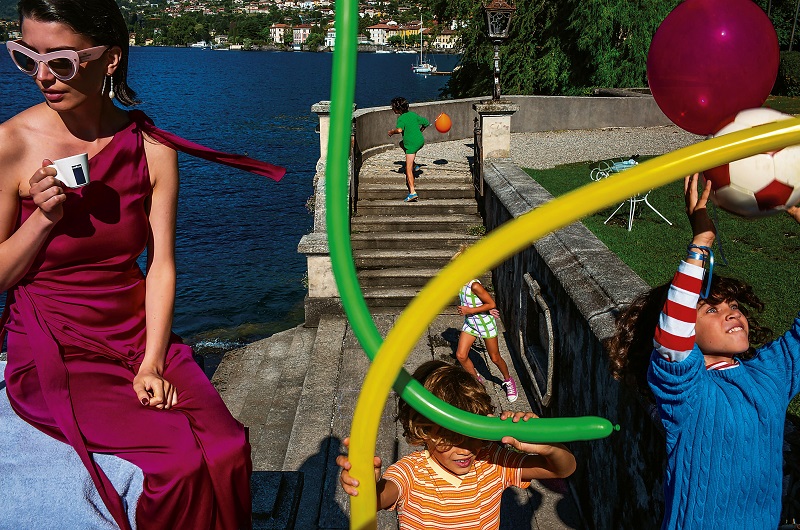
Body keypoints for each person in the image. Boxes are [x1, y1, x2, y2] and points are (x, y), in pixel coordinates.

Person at [0, 0, 284, 528]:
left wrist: (152, 362)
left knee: (226, 447)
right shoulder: (11, 143)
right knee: (177, 463)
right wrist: (42, 219)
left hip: (136, 335)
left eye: (59, 61)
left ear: (109, 59)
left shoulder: (153, 149)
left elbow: (161, 266)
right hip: (54, 345)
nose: (42, 76)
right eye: (26, 58)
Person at [608, 173, 800, 529]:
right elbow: (673, 338)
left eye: (733, 305)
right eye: (711, 309)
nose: (732, 312)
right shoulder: (684, 390)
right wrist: (701, 243)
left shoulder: (770, 375)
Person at [337, 360, 576, 530]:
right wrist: (365, 483)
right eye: (450, 436)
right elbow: (377, 499)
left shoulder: (493, 461)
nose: (465, 448)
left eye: (472, 433)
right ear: (423, 431)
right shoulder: (410, 473)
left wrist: (543, 444)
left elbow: (562, 469)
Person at [452, 245, 518, 402]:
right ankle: (476, 381)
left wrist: (470, 310)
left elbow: (491, 303)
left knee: (495, 358)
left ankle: (508, 381)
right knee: (461, 355)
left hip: (485, 325)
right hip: (471, 324)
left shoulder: (475, 285)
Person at [388, 96, 429, 202]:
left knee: (408, 169)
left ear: (397, 109)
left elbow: (399, 130)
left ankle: (412, 192)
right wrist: (420, 131)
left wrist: (392, 132)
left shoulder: (401, 118)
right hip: (420, 141)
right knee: (401, 143)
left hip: (411, 145)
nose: (392, 109)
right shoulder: (413, 115)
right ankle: (415, 165)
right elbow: (426, 123)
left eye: (393, 107)